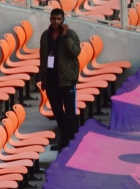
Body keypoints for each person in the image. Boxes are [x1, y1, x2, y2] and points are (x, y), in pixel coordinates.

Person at [40, 9, 81, 150]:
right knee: (58, 113)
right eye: (53, 19)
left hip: (66, 80)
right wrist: (43, 78)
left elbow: (75, 52)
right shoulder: (46, 36)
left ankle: (73, 143)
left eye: (59, 19)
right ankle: (63, 142)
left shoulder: (70, 34)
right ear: (50, 19)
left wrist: (65, 37)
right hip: (52, 81)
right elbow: (43, 58)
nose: (56, 22)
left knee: (70, 114)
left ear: (63, 19)